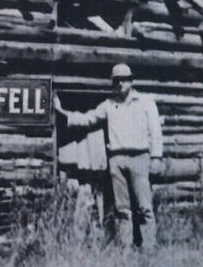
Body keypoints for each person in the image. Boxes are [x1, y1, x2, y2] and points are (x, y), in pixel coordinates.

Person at [53, 64, 163, 249]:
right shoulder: (108, 105)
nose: (120, 83)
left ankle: (149, 247)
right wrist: (62, 112)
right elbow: (88, 118)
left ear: (131, 81)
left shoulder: (146, 102)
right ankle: (125, 248)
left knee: (144, 206)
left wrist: (156, 157)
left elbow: (155, 131)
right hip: (116, 159)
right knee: (122, 208)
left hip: (140, 157)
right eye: (116, 80)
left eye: (124, 79)